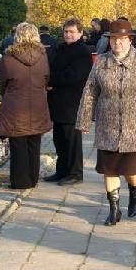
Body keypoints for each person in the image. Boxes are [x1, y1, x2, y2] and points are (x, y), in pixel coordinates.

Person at [76, 19, 136, 225]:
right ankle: (114, 209)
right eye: (113, 39)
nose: (117, 43)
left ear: (130, 40)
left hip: (135, 125)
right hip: (107, 126)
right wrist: (84, 119)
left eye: (121, 39)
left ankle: (135, 191)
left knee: (132, 172)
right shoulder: (101, 62)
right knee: (109, 169)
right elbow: (90, 91)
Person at [0, 23, 52, 189]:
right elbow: (46, 78)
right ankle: (33, 179)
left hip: (15, 107)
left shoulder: (8, 58)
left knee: (18, 145)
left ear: (17, 36)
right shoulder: (43, 56)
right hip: (37, 105)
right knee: (34, 144)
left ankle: (20, 181)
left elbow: (2, 83)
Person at [44, 18, 93, 186]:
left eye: (72, 32)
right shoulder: (61, 48)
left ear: (80, 33)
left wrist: (51, 80)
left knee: (71, 141)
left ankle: (75, 173)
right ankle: (62, 171)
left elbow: (73, 76)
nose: (68, 35)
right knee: (59, 139)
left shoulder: (82, 51)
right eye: (66, 31)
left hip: (72, 103)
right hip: (58, 101)